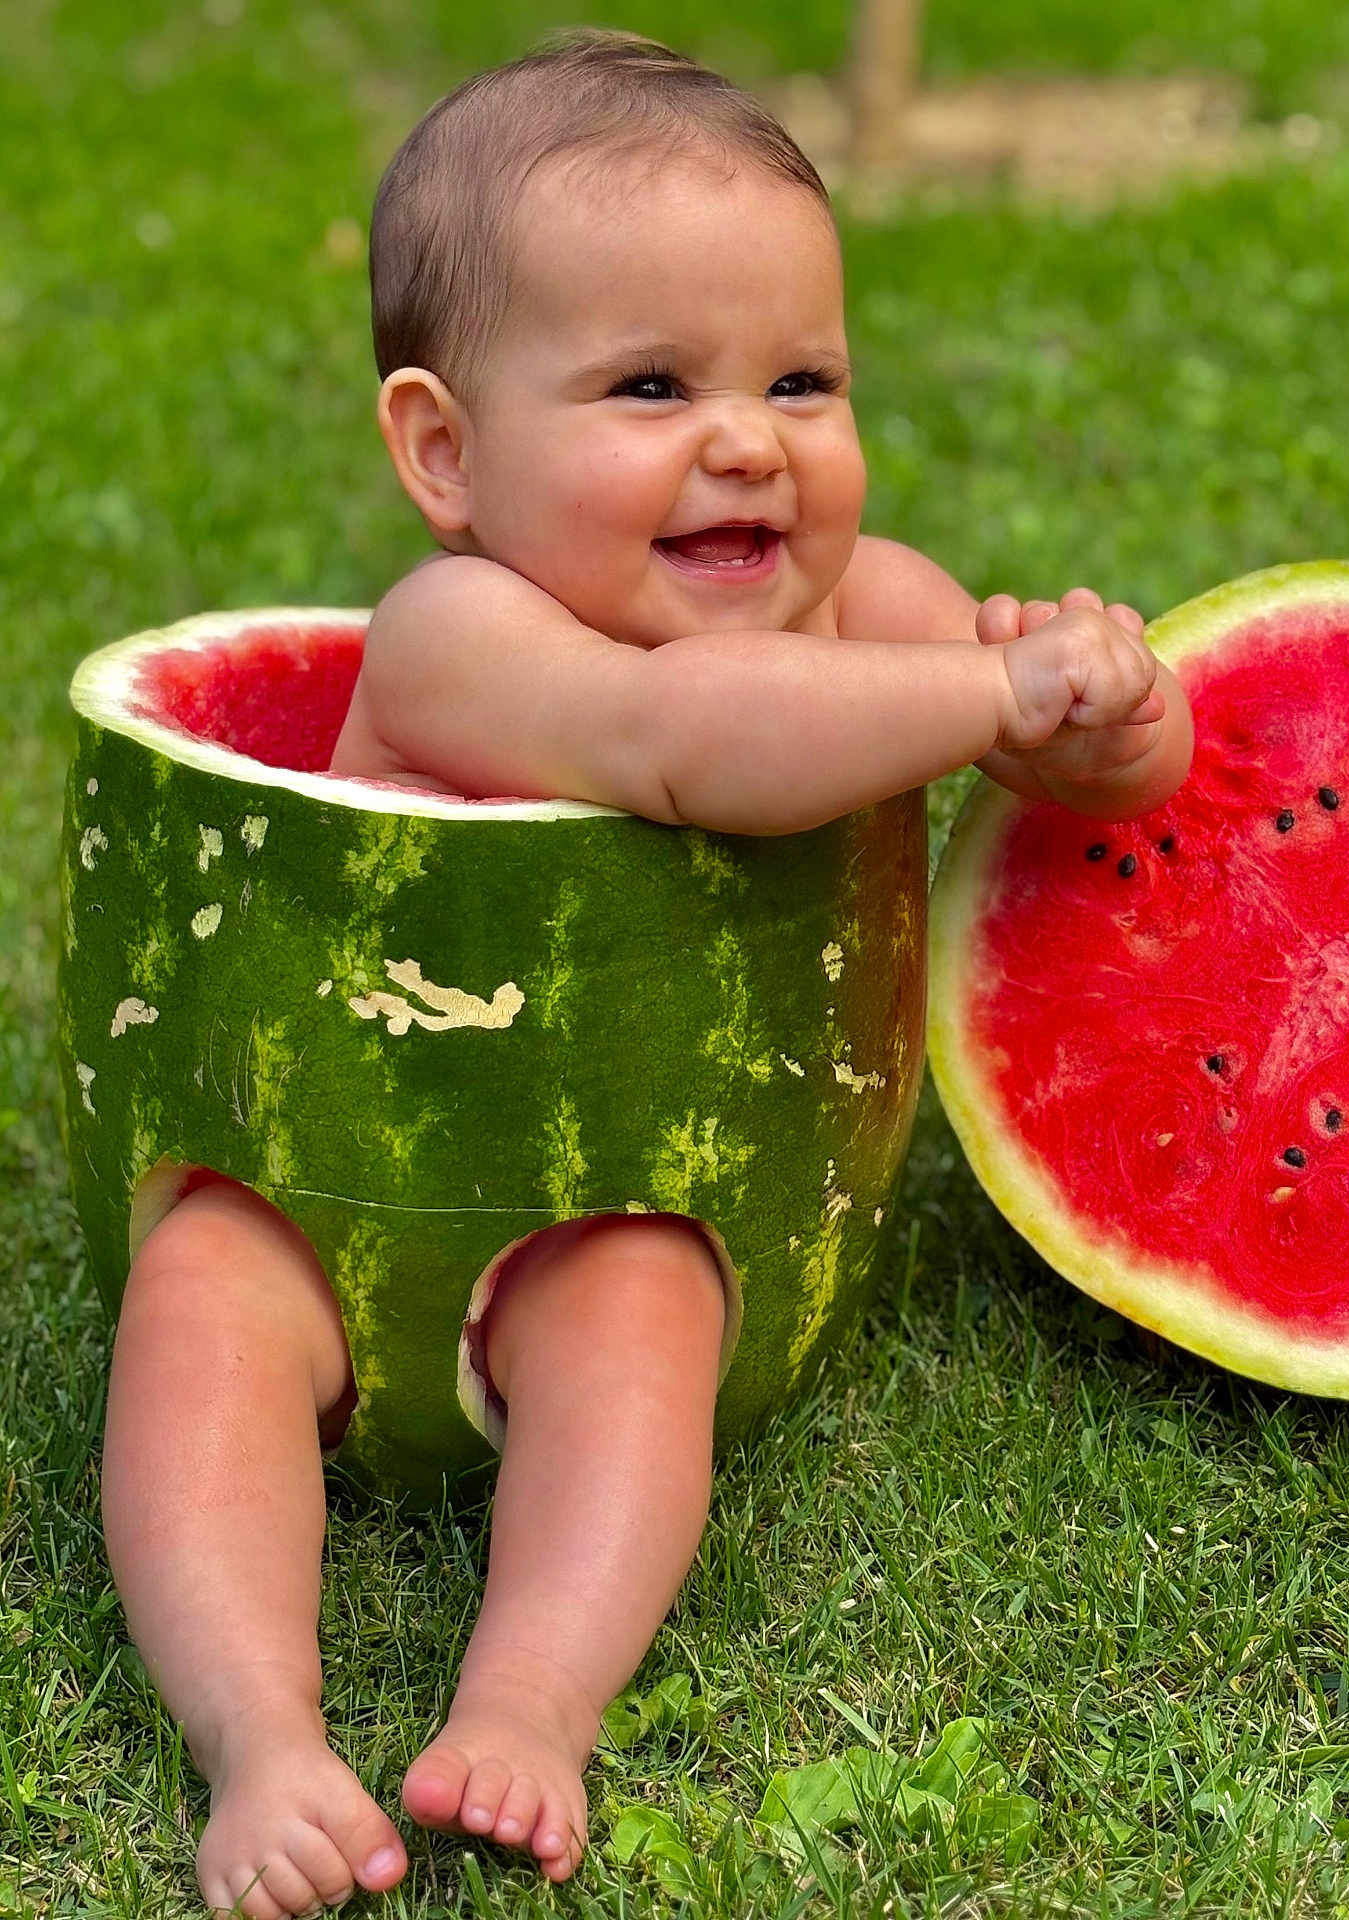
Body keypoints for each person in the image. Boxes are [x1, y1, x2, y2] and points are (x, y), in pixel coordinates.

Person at [99, 30, 1194, 1920]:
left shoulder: (875, 614)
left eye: (801, 377)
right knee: (199, 1303)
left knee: (641, 1323)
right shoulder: (459, 637)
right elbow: (690, 739)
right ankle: (258, 1734)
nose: (747, 437)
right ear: (445, 452)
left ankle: (529, 1698)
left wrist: (1100, 729)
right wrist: (980, 697)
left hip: (617, 1199)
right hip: (326, 1181)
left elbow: (1095, 774)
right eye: (647, 385)